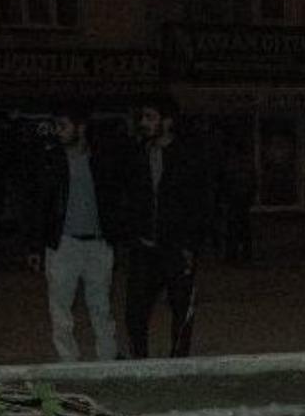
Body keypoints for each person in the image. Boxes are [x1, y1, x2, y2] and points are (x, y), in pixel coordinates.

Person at [30, 106, 125, 362]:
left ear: (80, 127)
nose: (58, 132)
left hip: (97, 243)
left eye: (63, 125)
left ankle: (107, 360)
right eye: (57, 126)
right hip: (63, 243)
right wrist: (37, 245)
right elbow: (41, 204)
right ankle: (68, 362)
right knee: (60, 308)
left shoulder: (101, 159)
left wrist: (115, 237)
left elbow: (116, 199)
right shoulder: (51, 160)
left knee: (101, 306)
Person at [124, 95, 210, 358]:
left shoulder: (187, 156)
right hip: (144, 247)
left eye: (150, 117)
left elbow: (200, 202)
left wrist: (190, 245)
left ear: (168, 121)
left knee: (181, 309)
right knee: (135, 310)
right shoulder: (138, 154)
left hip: (176, 248)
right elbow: (128, 197)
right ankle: (140, 362)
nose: (144, 123)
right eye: (142, 117)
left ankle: (178, 363)